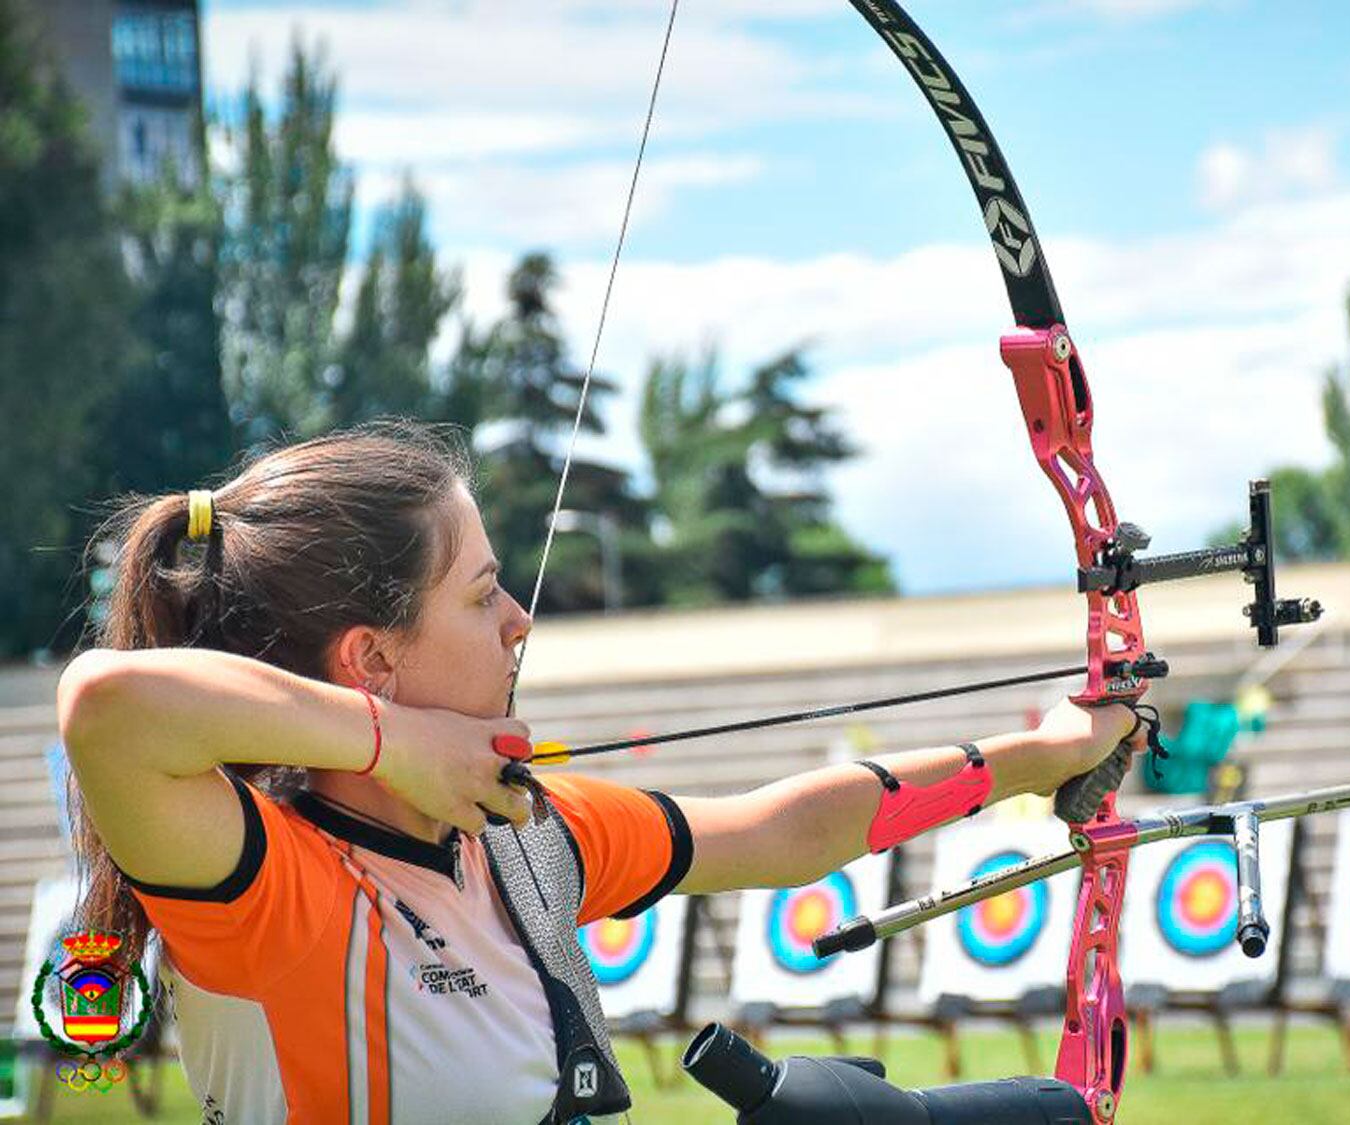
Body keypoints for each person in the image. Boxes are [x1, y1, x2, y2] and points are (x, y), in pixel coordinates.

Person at [55, 421, 1148, 1124]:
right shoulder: (261, 885)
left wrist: (1039, 756)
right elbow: (107, 708)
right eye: (483, 596)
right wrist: (399, 743)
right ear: (372, 659)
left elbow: (778, 832)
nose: (519, 621)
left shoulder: (524, 838)